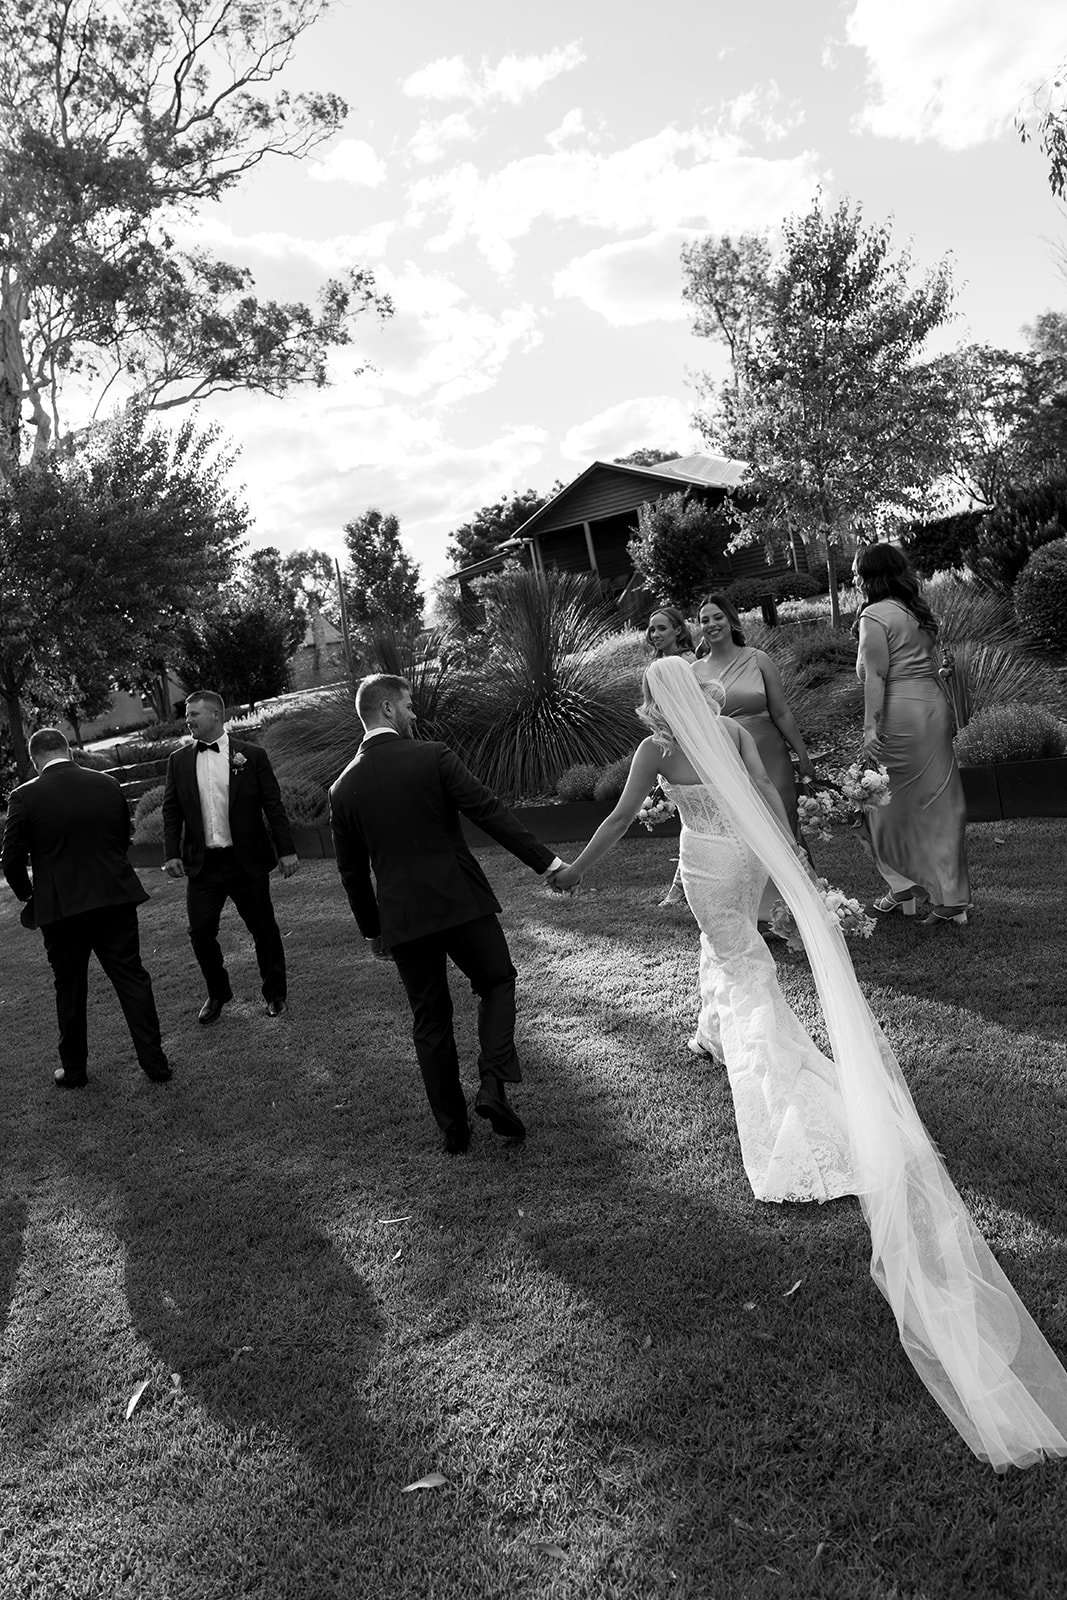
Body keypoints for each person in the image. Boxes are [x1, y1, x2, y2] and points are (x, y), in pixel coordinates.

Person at [549, 657, 1067, 1470]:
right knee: (741, 958)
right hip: (747, 859)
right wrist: (787, 861)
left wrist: (573, 872)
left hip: (707, 865)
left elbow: (618, 820)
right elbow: (763, 797)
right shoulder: (726, 732)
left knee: (745, 971)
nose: (646, 706)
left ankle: (780, 1097)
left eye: (647, 695)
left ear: (658, 700)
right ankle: (737, 1039)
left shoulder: (658, 748)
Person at [328, 673, 569, 1155]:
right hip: (459, 900)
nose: (415, 714)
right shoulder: (431, 756)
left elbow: (352, 875)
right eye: (409, 705)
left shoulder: (342, 789)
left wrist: (373, 932)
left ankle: (453, 1130)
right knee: (497, 981)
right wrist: (549, 863)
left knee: (430, 1019)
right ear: (389, 711)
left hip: (402, 918)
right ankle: (493, 1085)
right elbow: (488, 810)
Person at [2, 728, 171, 1088]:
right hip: (114, 898)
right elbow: (121, 837)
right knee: (131, 977)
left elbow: (11, 860)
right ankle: (155, 1063)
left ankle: (75, 1070)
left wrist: (29, 894)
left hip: (61, 910)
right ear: (69, 750)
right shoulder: (107, 784)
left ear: (35, 760)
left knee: (70, 987)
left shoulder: (24, 797)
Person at [660, 591, 815, 914]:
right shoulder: (695, 671)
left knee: (781, 823)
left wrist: (802, 755)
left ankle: (801, 905)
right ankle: (760, 911)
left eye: (718, 617)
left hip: (770, 755)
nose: (712, 624)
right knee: (744, 832)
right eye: (704, 620)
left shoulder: (758, 659)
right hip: (725, 762)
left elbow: (782, 712)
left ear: (731, 620)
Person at [162, 690, 299, 1023]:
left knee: (264, 929)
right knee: (200, 932)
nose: (188, 719)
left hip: (246, 860)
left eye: (194, 714)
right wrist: (171, 854)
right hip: (203, 865)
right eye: (187, 715)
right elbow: (171, 809)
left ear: (216, 716)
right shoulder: (178, 761)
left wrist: (287, 851)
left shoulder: (252, 756)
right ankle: (218, 993)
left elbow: (273, 806)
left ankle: (275, 994)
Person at [853, 544, 970, 925]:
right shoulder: (914, 611)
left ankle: (903, 886)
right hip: (933, 708)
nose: (853, 578)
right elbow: (923, 664)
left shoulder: (874, 614)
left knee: (881, 804)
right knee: (937, 799)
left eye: (857, 571)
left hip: (899, 711)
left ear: (871, 575)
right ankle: (945, 895)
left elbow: (877, 675)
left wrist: (870, 726)